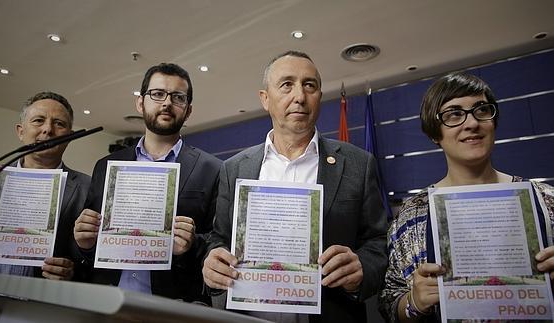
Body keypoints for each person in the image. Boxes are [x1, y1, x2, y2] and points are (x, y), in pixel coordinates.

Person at [202, 50, 388, 322]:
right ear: (265, 99)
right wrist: (211, 262)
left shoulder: (359, 165)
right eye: (287, 84)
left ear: (320, 97)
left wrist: (362, 268)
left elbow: (379, 242)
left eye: (309, 85)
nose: (299, 96)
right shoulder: (235, 168)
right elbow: (219, 237)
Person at [378, 73, 554, 322]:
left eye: (481, 110)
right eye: (454, 114)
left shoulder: (546, 200)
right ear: (434, 133)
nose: (471, 123)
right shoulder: (412, 215)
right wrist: (414, 302)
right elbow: (389, 304)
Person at [73, 63, 221, 304]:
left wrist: (191, 244)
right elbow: (90, 245)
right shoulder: (106, 166)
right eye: (158, 94)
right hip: (106, 301)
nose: (167, 103)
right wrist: (85, 243)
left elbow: (217, 241)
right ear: (140, 103)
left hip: (172, 305)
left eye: (178, 97)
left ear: (188, 110)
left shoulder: (212, 169)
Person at [0, 91, 91, 318]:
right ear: (21, 131)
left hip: (39, 315)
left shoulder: (87, 188)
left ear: (69, 136)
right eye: (38, 120)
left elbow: (93, 261)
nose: (48, 130)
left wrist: (72, 271)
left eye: (59, 123)